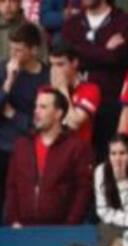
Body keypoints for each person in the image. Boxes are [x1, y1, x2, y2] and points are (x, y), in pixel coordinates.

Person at [5, 88, 95, 227]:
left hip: (61, 229)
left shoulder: (76, 147)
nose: (36, 111)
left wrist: (70, 224)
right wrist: (14, 220)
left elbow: (83, 190)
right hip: (22, 230)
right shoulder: (21, 145)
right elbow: (12, 186)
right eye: (36, 106)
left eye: (43, 107)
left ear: (58, 113)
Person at [0, 22, 48, 189]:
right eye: (11, 49)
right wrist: (9, 82)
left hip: (29, 147)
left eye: (18, 50)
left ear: (34, 50)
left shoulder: (46, 77)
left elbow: (41, 123)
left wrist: (13, 115)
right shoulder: (1, 70)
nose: (12, 54)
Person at [59, 0, 128, 149]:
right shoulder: (72, 23)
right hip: (74, 104)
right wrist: (105, 51)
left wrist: (81, 50)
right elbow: (64, 55)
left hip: (109, 105)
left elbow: (117, 57)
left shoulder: (123, 22)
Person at [48, 40, 103, 148]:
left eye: (60, 64)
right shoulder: (45, 91)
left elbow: (74, 123)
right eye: (52, 65)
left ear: (74, 63)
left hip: (78, 154)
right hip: (52, 152)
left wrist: (62, 89)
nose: (55, 70)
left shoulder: (90, 89)